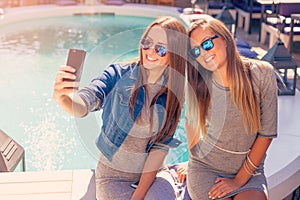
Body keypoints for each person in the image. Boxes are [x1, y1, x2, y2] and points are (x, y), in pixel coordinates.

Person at [53, 16, 187, 200]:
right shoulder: (117, 74)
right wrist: (64, 99)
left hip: (153, 176)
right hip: (113, 176)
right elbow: (87, 100)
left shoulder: (174, 93)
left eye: (161, 48)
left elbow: (159, 149)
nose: (150, 51)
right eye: (147, 43)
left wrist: (138, 196)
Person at [184, 15, 278, 200]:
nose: (203, 53)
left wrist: (238, 181)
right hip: (206, 169)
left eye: (207, 44)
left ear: (225, 39)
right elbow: (191, 123)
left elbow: (266, 135)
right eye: (196, 51)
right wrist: (192, 159)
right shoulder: (199, 83)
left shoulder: (261, 74)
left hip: (250, 171)